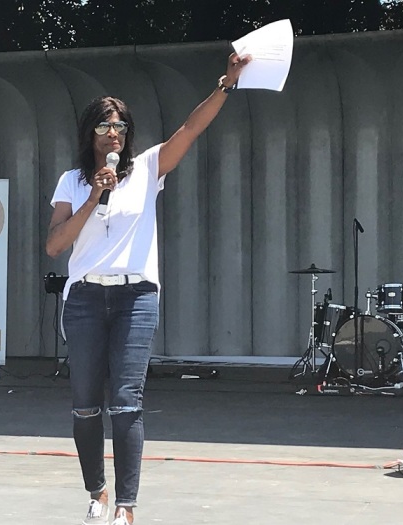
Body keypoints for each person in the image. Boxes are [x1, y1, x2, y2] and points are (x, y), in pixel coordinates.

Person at [45, 52, 251, 525]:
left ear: (127, 133)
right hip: (85, 299)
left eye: (118, 126)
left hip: (136, 296)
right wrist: (95, 194)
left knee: (126, 401)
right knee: (84, 404)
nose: (111, 134)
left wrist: (226, 83)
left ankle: (125, 505)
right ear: (89, 134)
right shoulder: (73, 181)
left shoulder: (146, 168)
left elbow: (190, 129)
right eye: (102, 127)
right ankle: (96, 491)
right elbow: (55, 244)